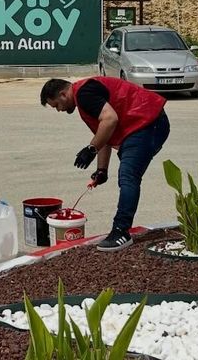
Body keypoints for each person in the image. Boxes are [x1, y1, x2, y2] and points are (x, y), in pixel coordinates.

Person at [40, 76, 170, 252]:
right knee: (128, 173)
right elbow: (105, 132)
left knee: (128, 176)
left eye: (56, 105)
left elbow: (110, 119)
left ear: (63, 94)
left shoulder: (84, 94)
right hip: (145, 124)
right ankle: (121, 230)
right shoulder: (84, 95)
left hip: (147, 122)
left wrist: (91, 149)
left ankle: (120, 231)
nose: (59, 110)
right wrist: (102, 170)